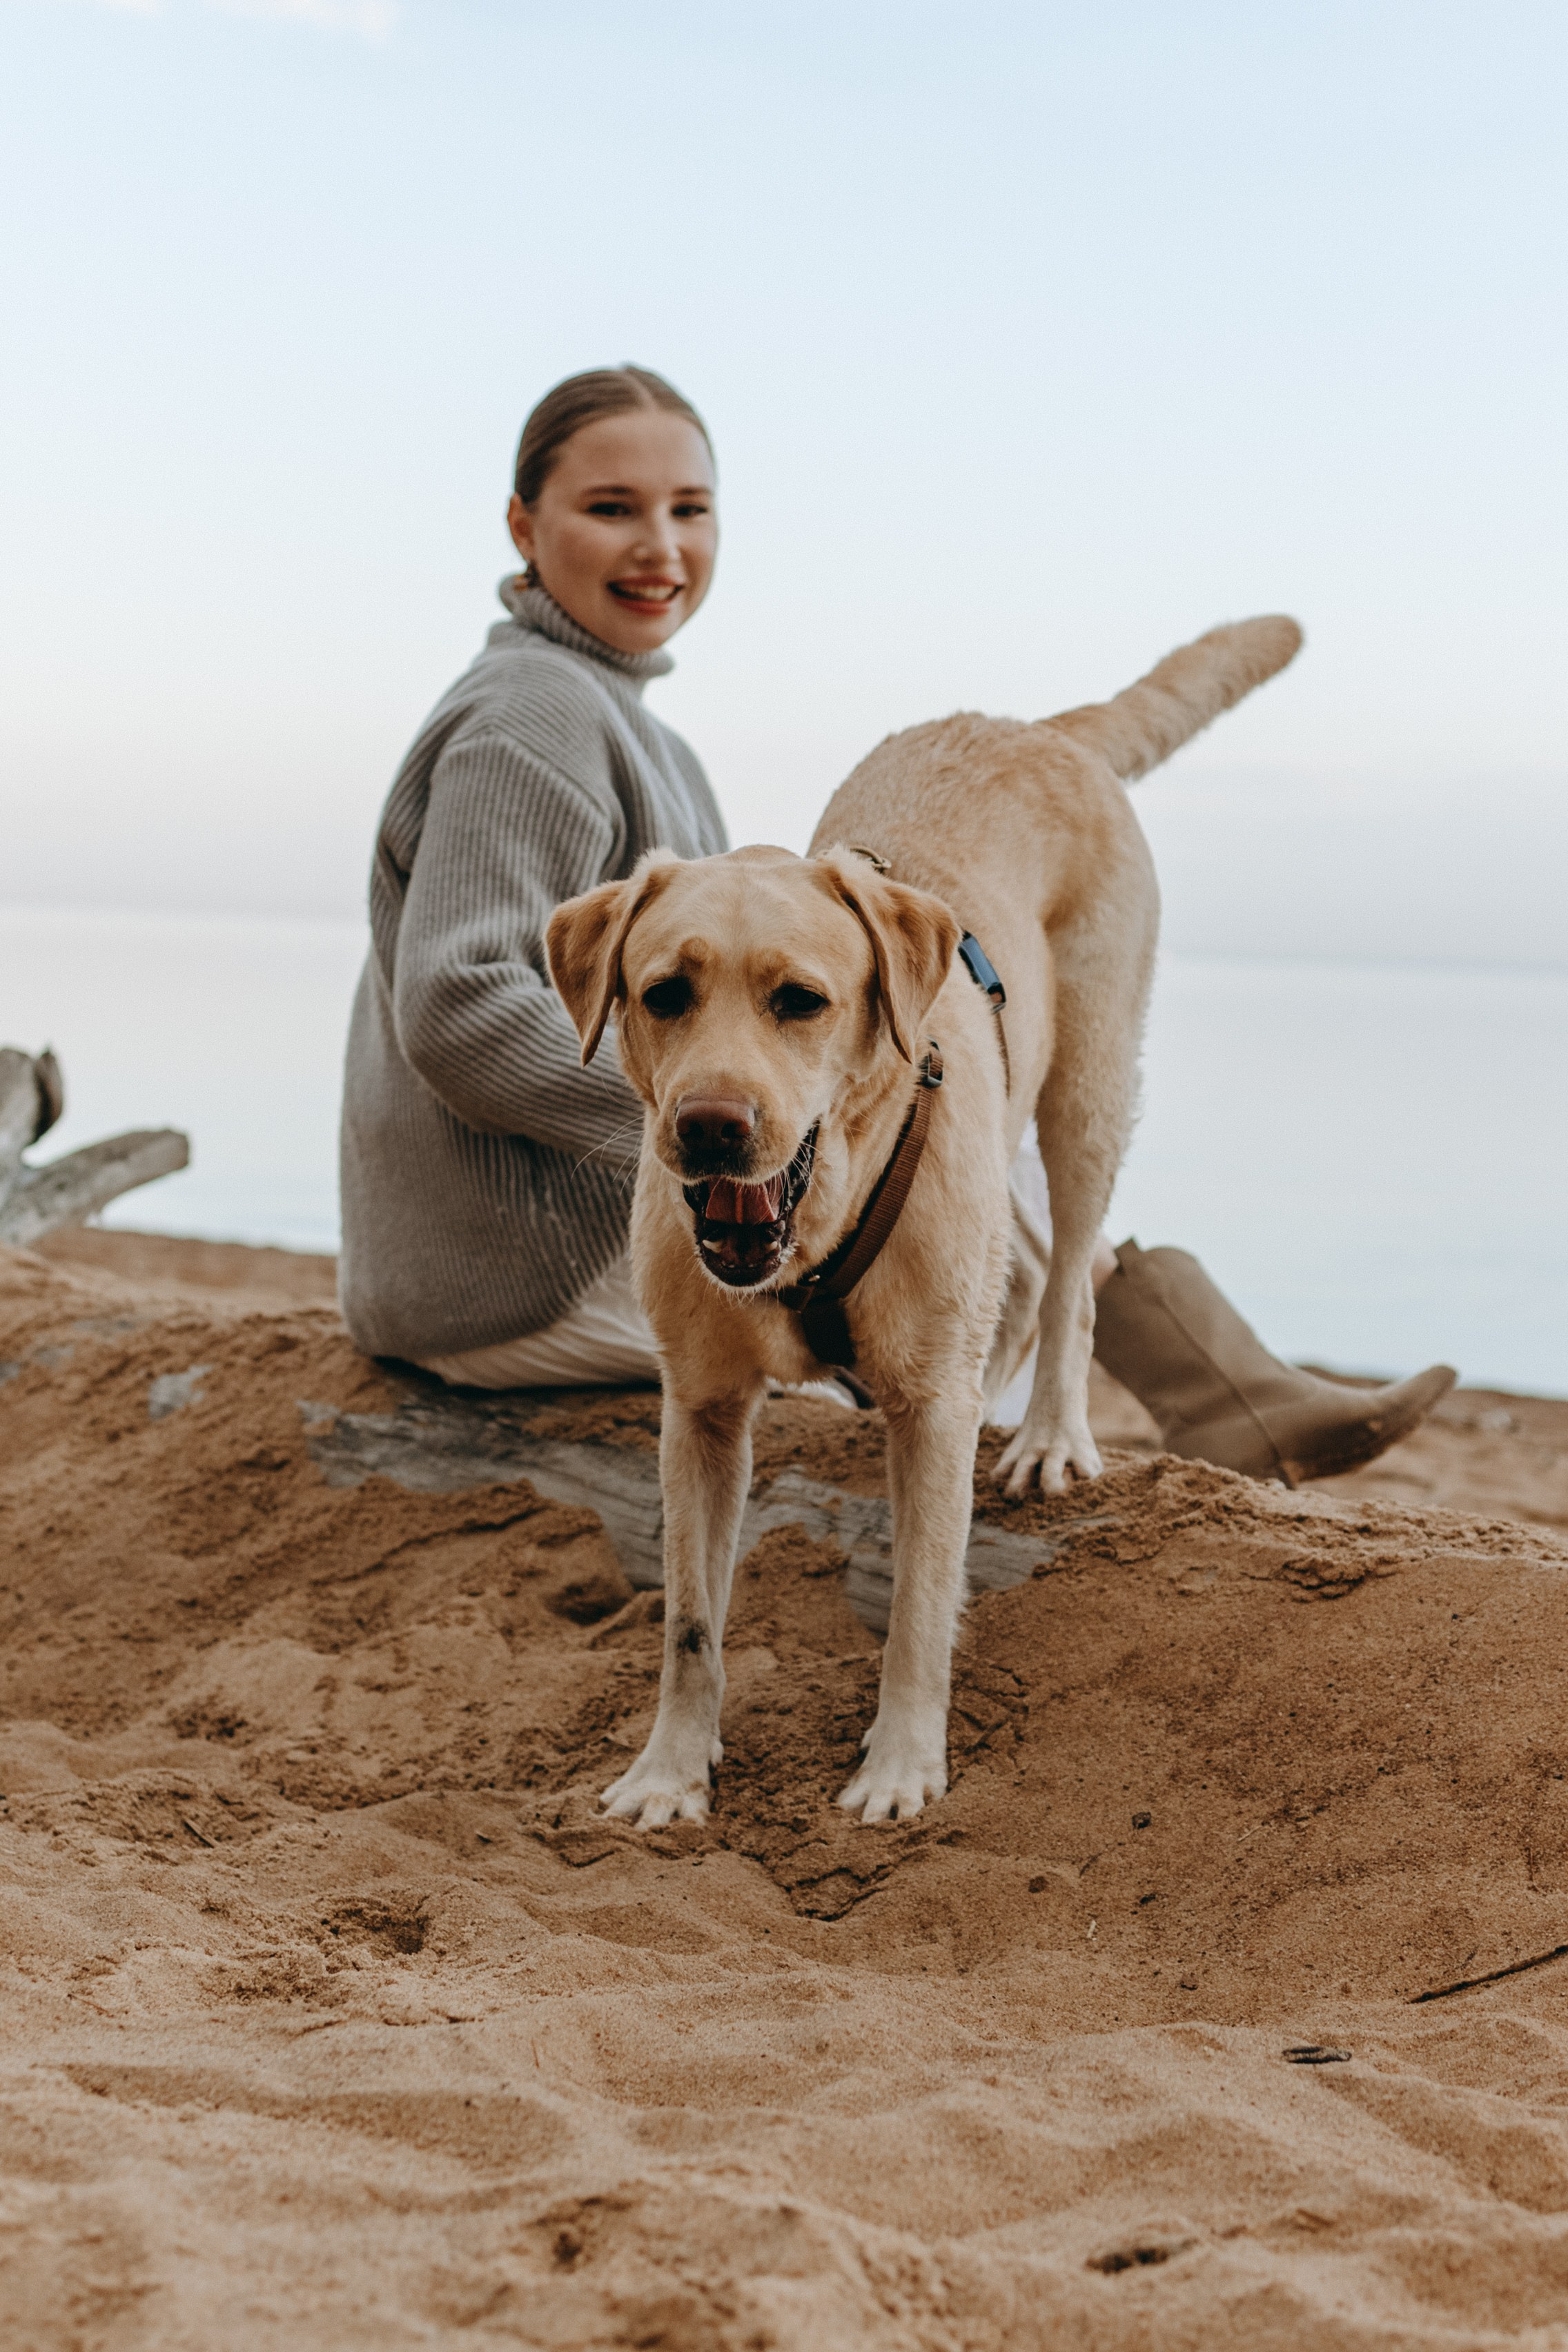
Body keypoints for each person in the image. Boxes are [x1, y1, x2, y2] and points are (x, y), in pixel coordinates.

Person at [338, 365, 1455, 1485]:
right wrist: (721, 1120)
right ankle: (1149, 1415)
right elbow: (461, 1003)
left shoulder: (621, 722)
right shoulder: (532, 718)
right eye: (611, 508)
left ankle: (1214, 1390)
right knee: (924, 1221)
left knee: (917, 1093)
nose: (659, 548)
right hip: (514, 1280)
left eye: (690, 511)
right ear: (525, 526)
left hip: (525, 1252)